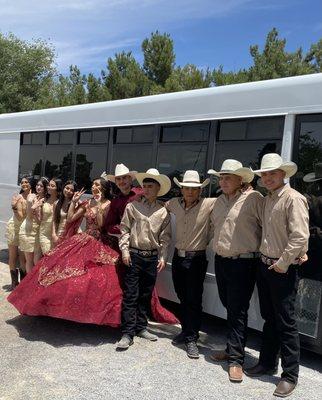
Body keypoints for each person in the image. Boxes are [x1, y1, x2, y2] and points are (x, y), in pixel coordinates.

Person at [8, 177, 122, 326]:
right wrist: (74, 202)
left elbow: (101, 226)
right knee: (59, 270)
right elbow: (70, 219)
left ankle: (90, 313)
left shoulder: (108, 204)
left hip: (101, 242)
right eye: (93, 184)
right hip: (84, 239)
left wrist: (100, 205)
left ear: (104, 188)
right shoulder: (87, 203)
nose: (93, 186)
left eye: (96, 184)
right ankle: (48, 305)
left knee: (94, 279)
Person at [244, 153, 310, 398]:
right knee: (269, 317)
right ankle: (267, 362)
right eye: (265, 174)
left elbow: (300, 236)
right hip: (266, 265)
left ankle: (290, 375)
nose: (268, 178)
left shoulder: (293, 199)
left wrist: (283, 263)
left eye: (273, 173)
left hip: (282, 268)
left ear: (283, 174)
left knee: (286, 322)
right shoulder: (268, 199)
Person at [208, 160, 262, 382]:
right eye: (221, 177)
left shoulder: (254, 199)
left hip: (243, 263)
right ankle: (232, 348)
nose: (223, 181)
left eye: (228, 177)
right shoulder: (219, 201)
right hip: (222, 261)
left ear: (241, 179)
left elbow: (269, 223)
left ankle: (236, 360)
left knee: (238, 310)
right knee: (229, 305)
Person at [117, 169, 172, 349]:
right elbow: (124, 229)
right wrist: (124, 251)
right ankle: (127, 332)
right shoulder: (132, 207)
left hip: (151, 258)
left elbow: (165, 236)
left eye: (150, 186)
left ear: (158, 189)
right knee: (131, 294)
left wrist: (163, 256)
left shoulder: (163, 211)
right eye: (144, 186)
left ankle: (141, 327)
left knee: (145, 295)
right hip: (134, 255)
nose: (146, 189)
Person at [166, 170, 216, 359]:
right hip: (178, 258)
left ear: (200, 190)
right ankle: (186, 331)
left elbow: (231, 200)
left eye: (194, 189)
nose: (190, 191)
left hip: (196, 259)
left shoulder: (209, 204)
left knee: (194, 299)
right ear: (181, 189)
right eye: (187, 188)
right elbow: (157, 206)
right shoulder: (173, 204)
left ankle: (192, 339)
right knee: (182, 296)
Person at [5, 176, 33, 290]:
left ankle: (23, 284)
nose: (24, 184)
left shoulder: (33, 196)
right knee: (13, 256)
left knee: (23, 258)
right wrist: (14, 207)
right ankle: (14, 283)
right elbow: (21, 217)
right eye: (22, 182)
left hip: (25, 229)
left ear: (31, 184)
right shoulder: (19, 198)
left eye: (26, 182)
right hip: (15, 228)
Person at [18, 177, 48, 273]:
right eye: (37, 185)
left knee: (36, 260)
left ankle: (34, 284)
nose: (38, 187)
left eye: (41, 186)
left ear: (46, 188)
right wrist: (33, 207)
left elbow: (41, 220)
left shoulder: (46, 200)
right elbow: (29, 215)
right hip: (27, 228)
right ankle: (27, 284)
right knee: (29, 260)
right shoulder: (32, 196)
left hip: (38, 231)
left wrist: (34, 209)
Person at [39, 178, 62, 255]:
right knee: (47, 255)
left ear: (57, 188)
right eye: (49, 185)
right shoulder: (44, 200)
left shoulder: (60, 202)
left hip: (57, 233)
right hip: (44, 233)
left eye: (52, 186)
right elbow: (40, 218)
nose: (49, 187)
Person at [52, 180, 77, 246]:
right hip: (59, 234)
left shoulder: (75, 204)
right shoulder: (56, 203)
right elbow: (54, 221)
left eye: (72, 190)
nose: (68, 191)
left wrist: (74, 201)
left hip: (71, 235)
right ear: (63, 188)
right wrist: (54, 234)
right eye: (67, 188)